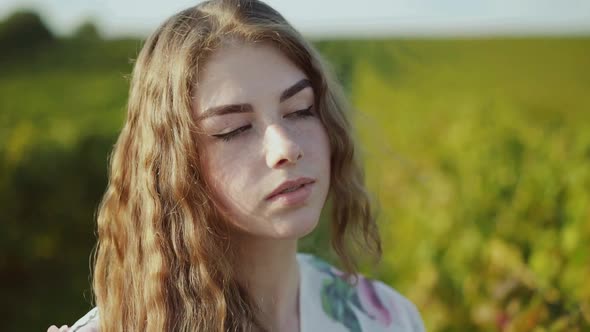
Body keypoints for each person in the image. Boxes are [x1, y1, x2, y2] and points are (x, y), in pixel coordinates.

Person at [47, 0, 425, 331]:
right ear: (176, 165)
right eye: (234, 130)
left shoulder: (385, 317)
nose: (286, 147)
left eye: (301, 110)